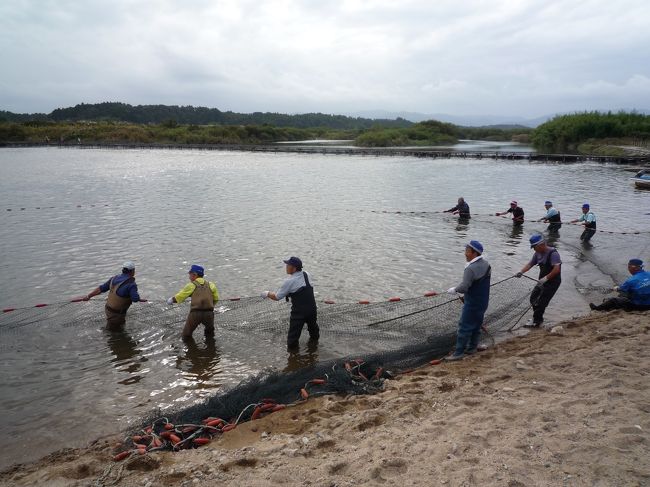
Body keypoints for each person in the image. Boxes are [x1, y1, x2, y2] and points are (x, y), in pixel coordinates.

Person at [444, 240, 491, 361]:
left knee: (464, 326)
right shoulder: (486, 264)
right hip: (483, 302)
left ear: (474, 253)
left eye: (467, 251)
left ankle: (459, 353)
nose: (465, 253)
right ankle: (472, 348)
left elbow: (464, 287)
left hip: (472, 303)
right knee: (476, 325)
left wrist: (454, 289)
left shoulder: (470, 268)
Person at [262, 256, 319, 350]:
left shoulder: (289, 281)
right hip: (312, 309)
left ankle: (293, 357)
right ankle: (314, 350)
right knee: (314, 331)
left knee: (292, 339)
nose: (286, 267)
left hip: (299, 313)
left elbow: (277, 297)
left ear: (294, 268)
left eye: (288, 265)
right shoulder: (307, 274)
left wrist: (267, 293)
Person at [516, 234, 561, 327]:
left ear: (541, 245)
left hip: (553, 282)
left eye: (534, 247)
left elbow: (556, 270)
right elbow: (530, 264)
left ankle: (537, 321)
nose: (533, 249)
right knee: (533, 298)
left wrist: (546, 278)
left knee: (542, 302)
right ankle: (537, 318)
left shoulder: (553, 254)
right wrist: (521, 272)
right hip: (542, 281)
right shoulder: (537, 253)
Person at [84, 261, 144, 331]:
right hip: (117, 314)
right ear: (132, 271)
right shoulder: (131, 284)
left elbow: (101, 289)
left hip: (108, 310)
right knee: (116, 331)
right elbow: (135, 299)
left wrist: (88, 296)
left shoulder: (114, 278)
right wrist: (138, 298)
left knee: (114, 327)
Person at [167, 265, 219, 340]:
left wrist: (171, 300)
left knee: (186, 335)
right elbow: (216, 298)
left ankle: (191, 349)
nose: (189, 277)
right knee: (209, 332)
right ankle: (211, 348)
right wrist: (211, 306)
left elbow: (181, 296)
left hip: (195, 314)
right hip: (209, 313)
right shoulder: (211, 285)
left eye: (190, 275)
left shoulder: (191, 285)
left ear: (195, 275)